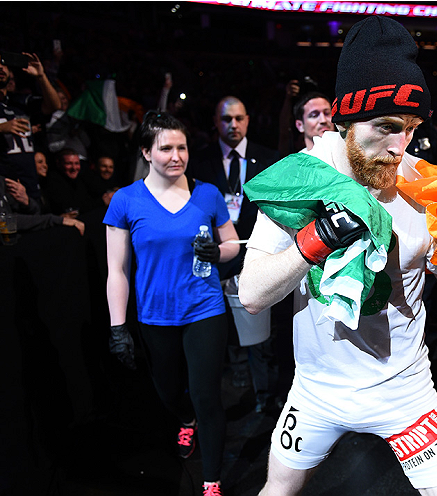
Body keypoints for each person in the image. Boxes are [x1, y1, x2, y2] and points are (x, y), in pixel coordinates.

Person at [238, 16, 437, 496]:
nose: (398, 148)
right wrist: (316, 238)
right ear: (344, 119)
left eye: (409, 129)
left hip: (405, 392)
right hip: (318, 391)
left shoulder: (425, 184)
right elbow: (252, 294)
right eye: (385, 128)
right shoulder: (299, 181)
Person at [104, 111, 240, 496]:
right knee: (167, 390)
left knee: (206, 394)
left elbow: (231, 244)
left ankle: (211, 481)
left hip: (204, 308)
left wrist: (218, 252)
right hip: (155, 315)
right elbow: (117, 270)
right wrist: (117, 327)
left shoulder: (207, 193)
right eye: (165, 148)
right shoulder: (126, 200)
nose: (176, 155)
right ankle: (185, 420)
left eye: (181, 147)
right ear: (147, 152)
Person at [188, 95, 281, 411]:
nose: (233, 125)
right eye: (226, 119)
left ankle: (264, 395)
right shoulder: (199, 162)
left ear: (248, 121)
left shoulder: (267, 159)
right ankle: (234, 383)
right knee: (223, 326)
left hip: (258, 251)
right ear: (216, 122)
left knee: (261, 330)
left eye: (239, 118)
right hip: (215, 256)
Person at [0, 50, 61, 200]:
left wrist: (41, 76)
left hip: (30, 185)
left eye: (3, 64)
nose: (0, 67)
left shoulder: (19, 101)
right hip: (3, 187)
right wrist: (0, 128)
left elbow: (54, 105)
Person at [0, 140, 84, 236]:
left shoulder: (1, 182)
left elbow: (35, 214)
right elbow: (3, 223)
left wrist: (26, 202)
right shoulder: (53, 182)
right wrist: (56, 220)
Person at [43, 147, 104, 217]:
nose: (74, 168)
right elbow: (73, 209)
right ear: (59, 164)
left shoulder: (80, 180)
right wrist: (101, 202)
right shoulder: (53, 182)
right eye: (69, 163)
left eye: (76, 163)